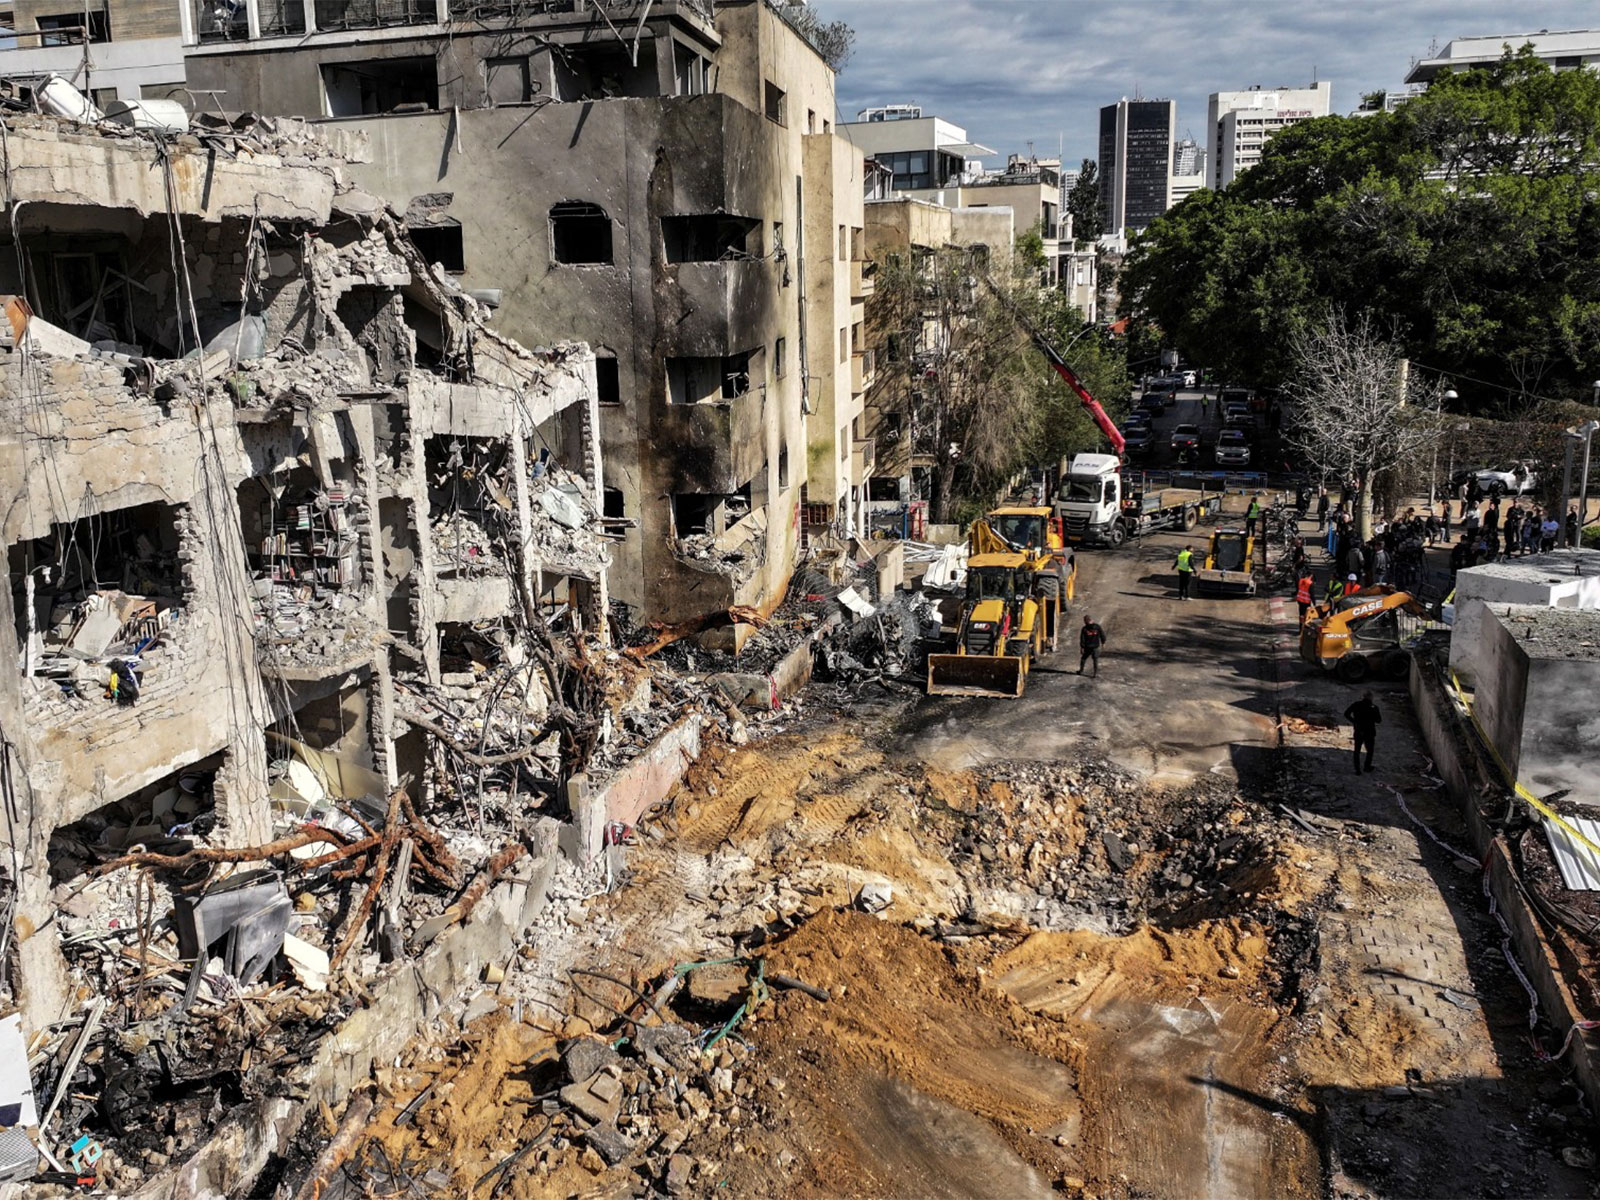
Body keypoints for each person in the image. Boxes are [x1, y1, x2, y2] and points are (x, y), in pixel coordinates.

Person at [1345, 690, 1382, 774]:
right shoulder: (1374, 707)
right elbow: (1379, 720)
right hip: (1369, 731)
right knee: (1370, 750)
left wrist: (1354, 721)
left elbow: (1346, 714)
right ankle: (1367, 766)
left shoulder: (1356, 705)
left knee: (1357, 750)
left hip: (1359, 730)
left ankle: (1357, 769)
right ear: (1371, 698)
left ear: (1363, 697)